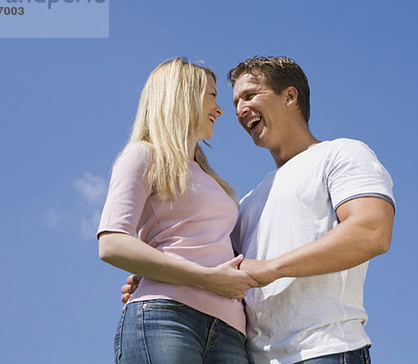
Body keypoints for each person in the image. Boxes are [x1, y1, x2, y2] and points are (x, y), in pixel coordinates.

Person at [123, 56, 395, 364]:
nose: (238, 110)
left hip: (325, 350)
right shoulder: (246, 204)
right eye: (236, 101)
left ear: (289, 96)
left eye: (250, 96)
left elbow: (371, 231)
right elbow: (223, 269)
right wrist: (159, 273)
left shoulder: (341, 154)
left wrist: (271, 268)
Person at [97, 58, 258, 364]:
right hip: (166, 316)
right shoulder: (143, 155)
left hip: (230, 329)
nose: (220, 110)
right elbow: (112, 243)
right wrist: (205, 278)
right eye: (212, 96)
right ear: (183, 95)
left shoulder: (213, 181)